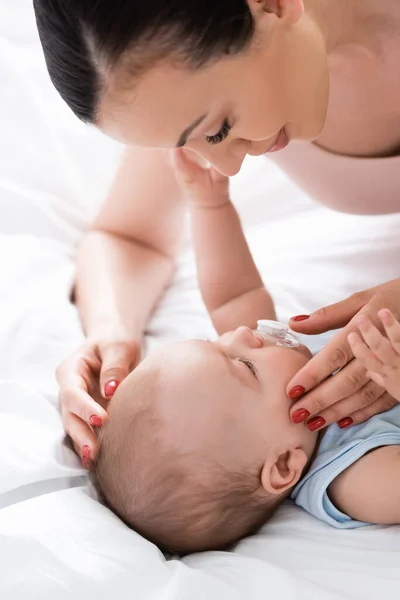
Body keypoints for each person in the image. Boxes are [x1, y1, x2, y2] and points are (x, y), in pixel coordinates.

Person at [33, 0, 400, 466]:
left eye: (219, 129)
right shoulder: (182, 76)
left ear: (273, 5)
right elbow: (128, 237)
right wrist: (111, 337)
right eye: (186, 142)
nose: (226, 165)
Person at [94, 152, 400, 555]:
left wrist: (209, 204)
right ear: (283, 467)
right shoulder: (351, 473)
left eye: (214, 343)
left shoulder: (267, 392)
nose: (241, 334)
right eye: (242, 364)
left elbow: (233, 296)